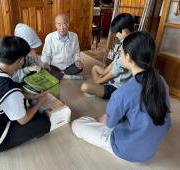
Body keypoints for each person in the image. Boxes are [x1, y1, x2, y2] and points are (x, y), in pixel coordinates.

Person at [72, 31, 171, 162]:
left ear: (128, 58)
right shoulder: (161, 81)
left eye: (122, 52)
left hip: (127, 149)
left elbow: (108, 123)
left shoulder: (122, 93)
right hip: (150, 150)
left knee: (77, 124)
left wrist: (93, 119)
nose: (120, 54)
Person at [81, 13, 135, 99]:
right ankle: (99, 88)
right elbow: (114, 63)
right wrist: (102, 76)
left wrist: (97, 82)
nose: (116, 35)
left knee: (85, 87)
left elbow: (114, 73)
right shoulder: (123, 43)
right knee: (95, 68)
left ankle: (100, 90)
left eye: (117, 32)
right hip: (112, 79)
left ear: (124, 31)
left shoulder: (128, 48)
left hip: (117, 86)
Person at [41, 13, 83, 81]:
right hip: (55, 66)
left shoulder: (74, 36)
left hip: (69, 65)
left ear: (68, 24)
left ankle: (59, 75)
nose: (62, 28)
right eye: (59, 24)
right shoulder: (50, 37)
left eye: (64, 24)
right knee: (45, 69)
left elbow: (76, 52)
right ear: (56, 25)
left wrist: (77, 60)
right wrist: (45, 63)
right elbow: (46, 54)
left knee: (80, 67)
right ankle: (66, 76)